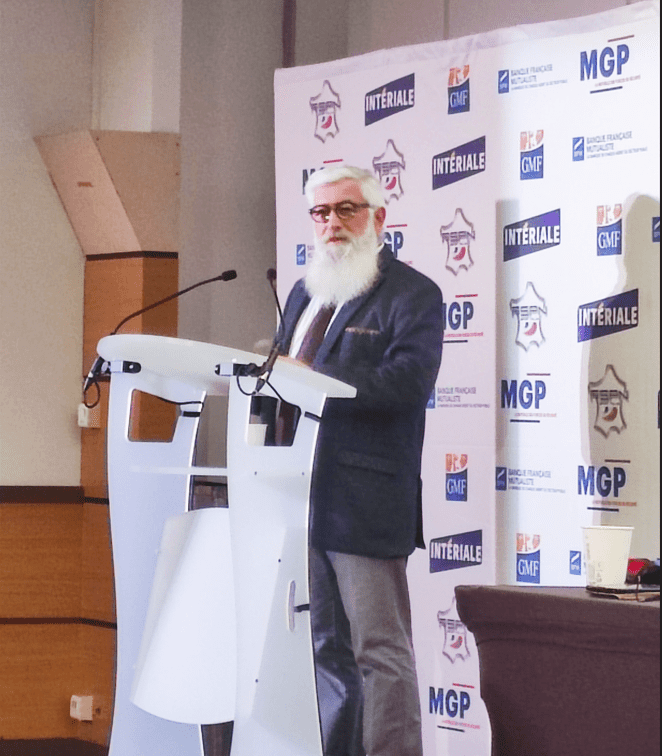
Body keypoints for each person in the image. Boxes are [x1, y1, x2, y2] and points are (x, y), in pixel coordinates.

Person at [275, 165, 444, 756]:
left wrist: (312, 376)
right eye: (321, 213)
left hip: (366, 503)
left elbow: (407, 385)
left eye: (346, 209)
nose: (333, 224)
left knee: (380, 652)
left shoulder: (412, 294)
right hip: (299, 497)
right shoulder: (303, 293)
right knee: (324, 649)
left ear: (378, 217)